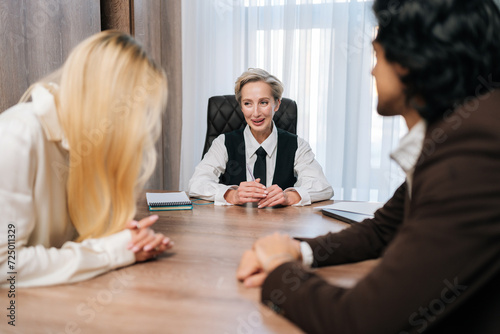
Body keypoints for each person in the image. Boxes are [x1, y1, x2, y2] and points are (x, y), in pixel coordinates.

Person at [236, 0, 500, 333]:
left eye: (377, 55)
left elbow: (361, 320)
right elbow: (383, 231)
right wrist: (297, 250)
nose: (373, 70)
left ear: (409, 60)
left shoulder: (476, 149)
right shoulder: (462, 132)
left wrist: (277, 268)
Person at [0, 31, 173, 287]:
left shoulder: (88, 143)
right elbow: (7, 266)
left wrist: (128, 240)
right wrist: (110, 252)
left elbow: (73, 242)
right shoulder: (17, 135)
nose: (136, 128)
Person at [188, 68, 333, 208]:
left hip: (281, 226)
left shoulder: (297, 145)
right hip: (233, 226)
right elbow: (197, 183)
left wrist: (289, 197)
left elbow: (323, 187)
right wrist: (232, 195)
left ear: (276, 104)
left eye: (263, 102)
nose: (256, 113)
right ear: (241, 107)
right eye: (248, 104)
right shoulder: (223, 143)